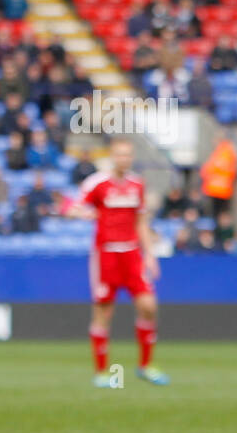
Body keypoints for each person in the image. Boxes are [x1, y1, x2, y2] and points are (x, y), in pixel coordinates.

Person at [66, 138, 168, 386]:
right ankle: (101, 371)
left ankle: (145, 365)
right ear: (112, 156)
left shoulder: (136, 185)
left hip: (132, 254)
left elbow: (140, 222)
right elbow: (71, 209)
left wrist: (150, 254)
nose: (124, 159)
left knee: (149, 306)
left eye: (128, 155)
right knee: (104, 311)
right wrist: (86, 213)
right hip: (106, 255)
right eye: (120, 155)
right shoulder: (97, 183)